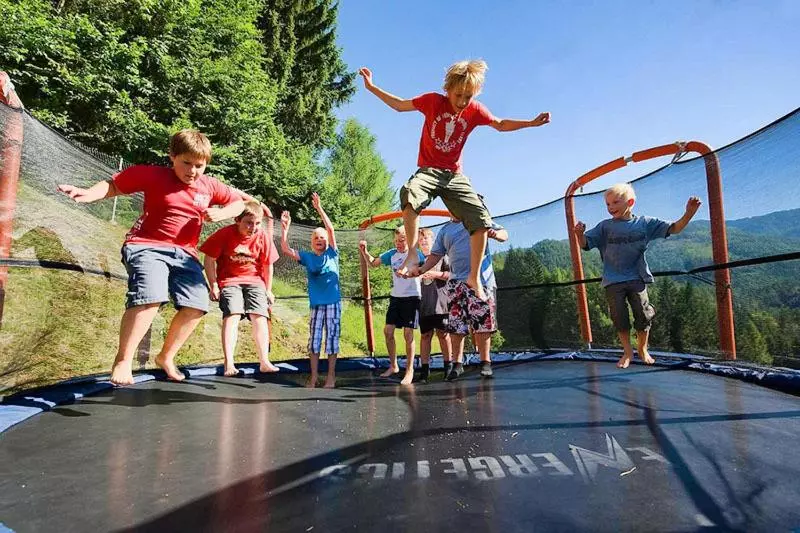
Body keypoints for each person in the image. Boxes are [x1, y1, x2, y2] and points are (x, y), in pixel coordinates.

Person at [58, 129, 250, 386]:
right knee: (151, 296)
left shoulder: (209, 185)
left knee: (197, 304)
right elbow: (114, 185)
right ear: (172, 156)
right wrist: (88, 193)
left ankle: (166, 357)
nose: (192, 171)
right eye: (186, 163)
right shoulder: (153, 174)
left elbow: (238, 202)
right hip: (146, 246)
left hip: (184, 254)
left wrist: (224, 212)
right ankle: (124, 360)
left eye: (199, 166)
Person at [358, 59, 549, 300]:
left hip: (454, 175)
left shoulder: (475, 110)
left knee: (480, 219)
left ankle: (473, 277)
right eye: (458, 95)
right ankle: (411, 254)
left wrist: (531, 123)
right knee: (410, 193)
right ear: (447, 89)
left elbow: (500, 124)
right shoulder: (432, 101)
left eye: (468, 97)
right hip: (428, 171)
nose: (462, 102)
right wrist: (371, 87)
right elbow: (398, 105)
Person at [574, 183, 702, 369]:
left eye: (615, 202)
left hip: (637, 277)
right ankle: (627, 352)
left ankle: (642, 349)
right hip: (613, 279)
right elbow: (585, 245)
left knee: (643, 315)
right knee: (619, 316)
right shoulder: (605, 227)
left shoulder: (644, 223)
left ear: (630, 202)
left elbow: (675, 228)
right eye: (608, 204)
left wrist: (689, 213)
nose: (611, 207)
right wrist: (579, 235)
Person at [418, 215, 508, 380]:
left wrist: (495, 234)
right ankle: (457, 364)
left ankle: (485, 362)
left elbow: (504, 233)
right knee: (456, 326)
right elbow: (435, 254)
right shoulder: (445, 230)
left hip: (481, 281)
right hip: (456, 283)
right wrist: (421, 269)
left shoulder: (477, 219)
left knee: (482, 324)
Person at [200, 200, 280, 376]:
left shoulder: (262, 236)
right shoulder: (224, 234)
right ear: (237, 220)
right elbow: (209, 259)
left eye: (257, 223)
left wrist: (268, 289)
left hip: (255, 281)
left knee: (259, 315)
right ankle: (229, 363)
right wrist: (213, 284)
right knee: (233, 315)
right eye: (249, 223)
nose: (253, 227)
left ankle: (264, 361)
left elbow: (268, 265)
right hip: (230, 281)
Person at [281, 193, 340, 388]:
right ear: (312, 241)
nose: (319, 239)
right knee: (314, 341)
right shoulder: (307, 257)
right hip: (316, 305)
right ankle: (314, 376)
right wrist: (285, 229)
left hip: (332, 303)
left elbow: (330, 228)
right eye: (316, 237)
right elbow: (286, 249)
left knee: (331, 340)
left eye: (322, 237)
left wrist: (319, 208)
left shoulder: (332, 253)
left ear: (327, 241)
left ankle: (331, 376)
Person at [359, 227, 426, 385]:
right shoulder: (391, 254)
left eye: (402, 240)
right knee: (388, 331)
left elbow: (425, 268)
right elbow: (373, 263)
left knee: (408, 334)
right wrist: (364, 250)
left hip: (412, 296)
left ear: (409, 239)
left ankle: (409, 370)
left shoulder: (416, 254)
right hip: (396, 297)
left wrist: (411, 271)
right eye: (396, 241)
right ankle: (394, 365)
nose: (399, 244)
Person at [417, 227, 451, 382]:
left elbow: (452, 275)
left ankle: (448, 367)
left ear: (433, 240)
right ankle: (424, 371)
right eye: (420, 239)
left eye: (426, 238)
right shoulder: (416, 260)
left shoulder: (442, 257)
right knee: (425, 336)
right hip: (423, 305)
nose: (423, 241)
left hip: (441, 304)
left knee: (443, 334)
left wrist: (436, 274)